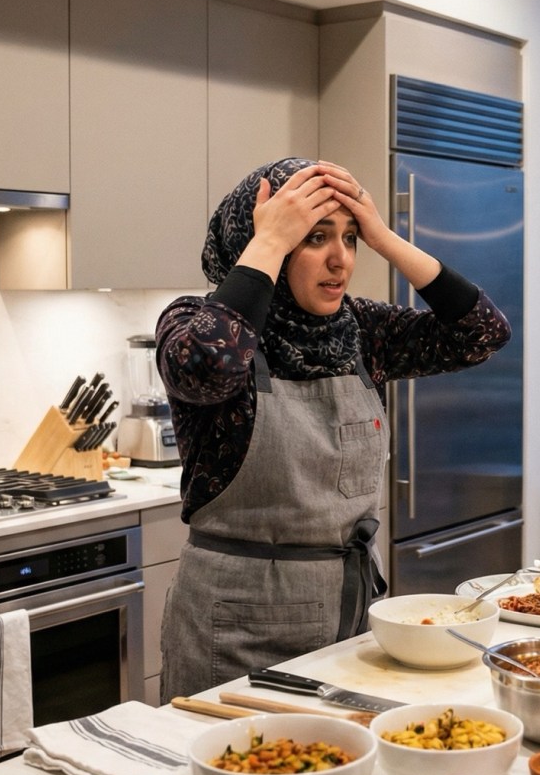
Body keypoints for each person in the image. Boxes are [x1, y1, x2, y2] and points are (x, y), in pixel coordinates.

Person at [155, 156, 511, 699]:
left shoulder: (359, 329)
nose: (340, 258)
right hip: (235, 628)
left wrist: (384, 237)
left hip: (351, 622)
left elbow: (482, 332)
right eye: (314, 237)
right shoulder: (196, 322)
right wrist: (270, 239)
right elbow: (209, 367)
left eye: (350, 238)